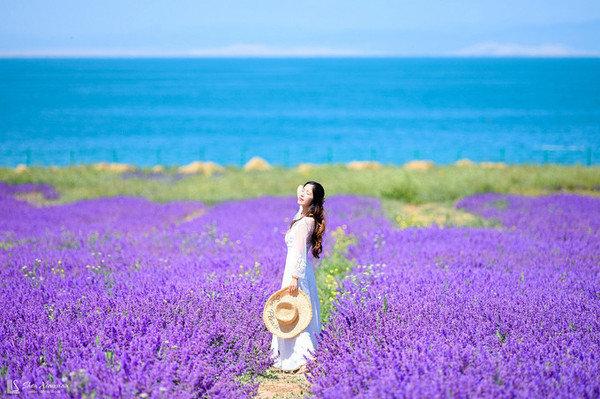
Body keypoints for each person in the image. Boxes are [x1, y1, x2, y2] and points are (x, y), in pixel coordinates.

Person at [270, 181, 326, 373]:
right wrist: (302, 191)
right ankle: (287, 359)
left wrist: (294, 277)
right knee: (292, 313)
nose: (302, 194)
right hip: (294, 271)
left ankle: (305, 360)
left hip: (297, 272)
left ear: (314, 200)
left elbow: (301, 254)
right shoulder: (302, 217)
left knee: (298, 315)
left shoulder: (305, 222)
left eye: (307, 193)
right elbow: (300, 197)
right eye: (302, 191)